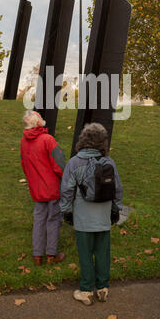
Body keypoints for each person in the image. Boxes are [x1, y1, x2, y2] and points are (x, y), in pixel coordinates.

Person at [60, 122, 123, 305]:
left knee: (85, 254)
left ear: (83, 140)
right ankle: (103, 287)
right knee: (102, 252)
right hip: (103, 216)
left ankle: (86, 290)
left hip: (82, 217)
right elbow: (117, 189)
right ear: (103, 142)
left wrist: (66, 211)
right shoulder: (109, 162)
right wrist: (115, 210)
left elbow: (66, 191)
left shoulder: (74, 163)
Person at [20, 110, 66, 266]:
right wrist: (65, 179)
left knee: (39, 220)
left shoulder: (23, 142)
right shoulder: (48, 140)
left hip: (37, 188)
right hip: (52, 187)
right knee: (53, 220)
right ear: (38, 122)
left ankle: (37, 256)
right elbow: (59, 166)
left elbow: (24, 165)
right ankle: (51, 255)